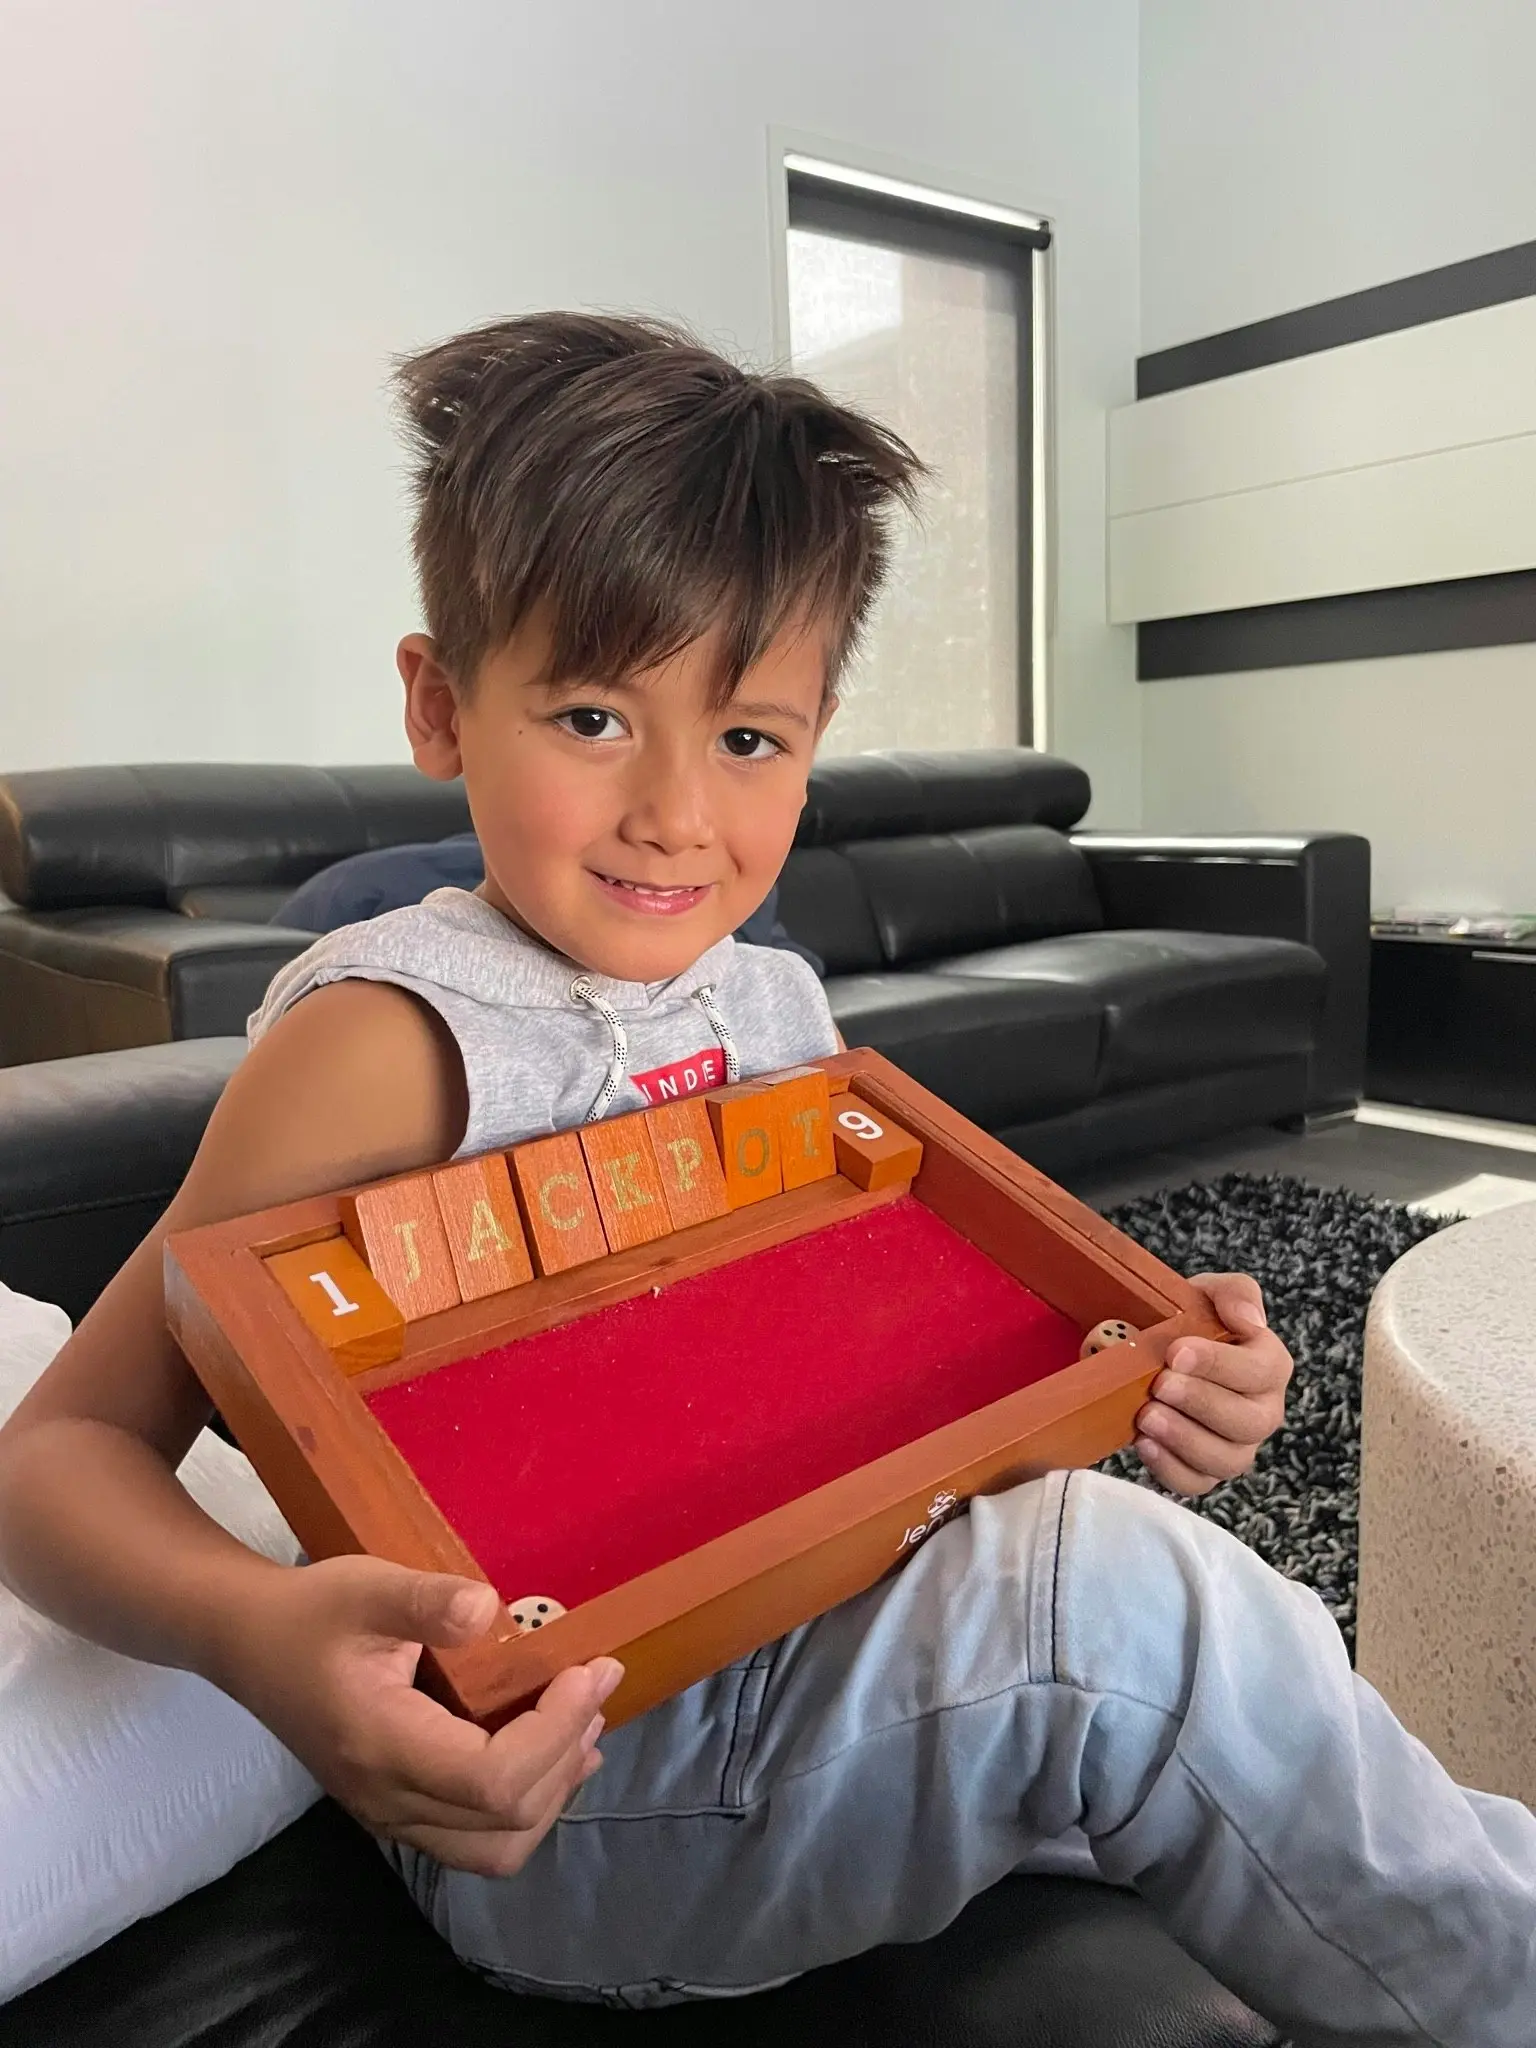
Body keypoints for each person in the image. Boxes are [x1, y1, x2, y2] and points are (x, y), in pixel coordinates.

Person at [0, 313, 1529, 2046]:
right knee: (1121, 1615)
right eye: (592, 714)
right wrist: (260, 1640)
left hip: (830, 1649)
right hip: (585, 1805)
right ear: (439, 704)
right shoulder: (383, 1042)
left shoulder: (774, 1005)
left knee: (1191, 1610)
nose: (673, 813)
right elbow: (56, 1453)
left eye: (750, 739)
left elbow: (873, 1342)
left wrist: (1167, 1367)